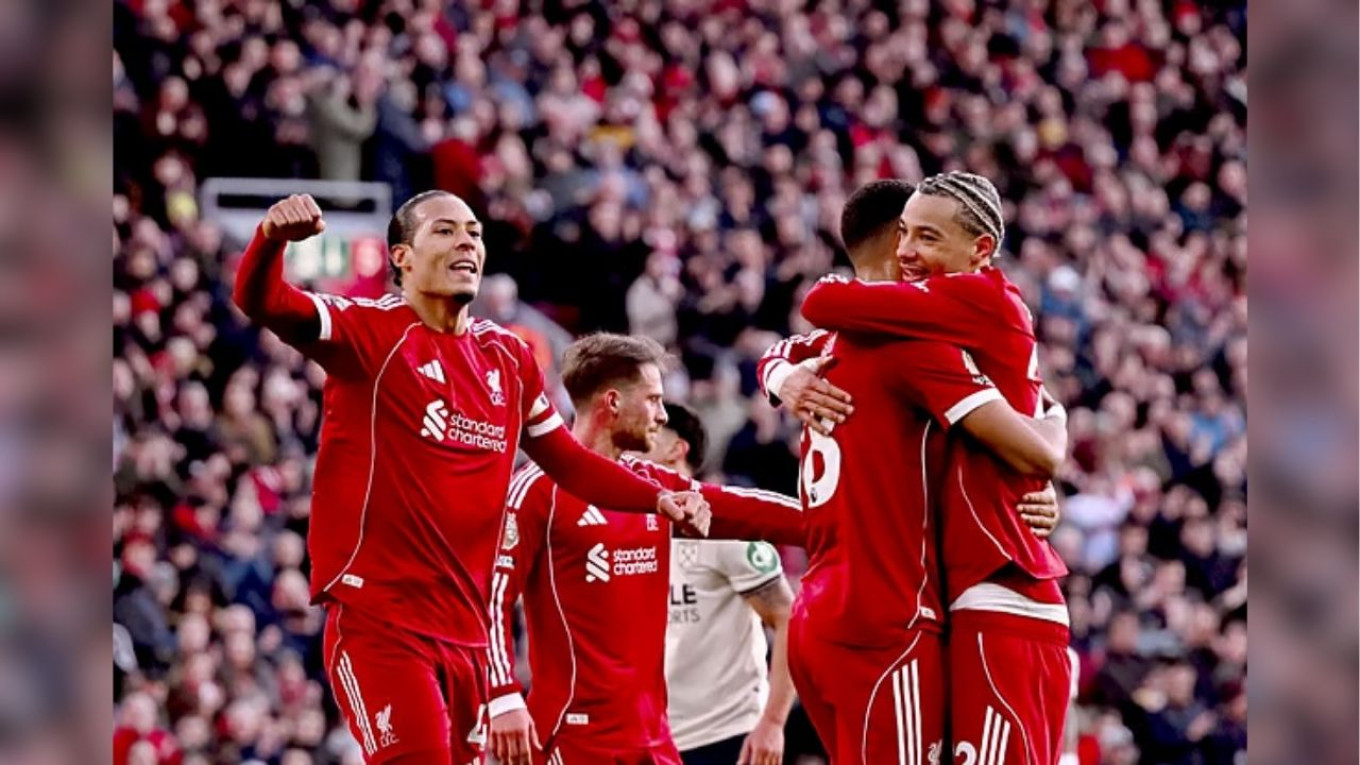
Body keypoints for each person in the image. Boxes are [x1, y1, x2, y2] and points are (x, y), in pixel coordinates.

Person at [231, 192, 710, 764]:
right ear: (402, 257)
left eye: (475, 233)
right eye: (445, 231)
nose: (466, 242)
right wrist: (271, 240)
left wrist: (657, 497)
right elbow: (263, 301)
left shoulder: (507, 356)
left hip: (467, 636)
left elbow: (570, 462)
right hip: (382, 624)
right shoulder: (369, 331)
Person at [755, 179, 1066, 764]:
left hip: (966, 591)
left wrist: (776, 374)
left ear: (980, 248)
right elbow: (1038, 444)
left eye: (927, 237)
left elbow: (1038, 450)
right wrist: (1054, 429)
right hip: (901, 612)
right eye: (906, 235)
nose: (910, 252)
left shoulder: (848, 347)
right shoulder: (911, 346)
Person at [485, 334, 806, 765]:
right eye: (653, 399)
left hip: (653, 739)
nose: (662, 414)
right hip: (573, 738)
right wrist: (503, 695)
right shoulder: (538, 489)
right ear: (613, 402)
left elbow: (742, 509)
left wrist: (835, 524)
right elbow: (489, 598)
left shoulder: (651, 484)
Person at [649, 402, 797, 765]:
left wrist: (773, 722)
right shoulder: (626, 527)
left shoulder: (723, 525)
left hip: (727, 736)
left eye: (650, 432)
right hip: (652, 737)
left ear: (676, 449)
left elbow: (788, 618)